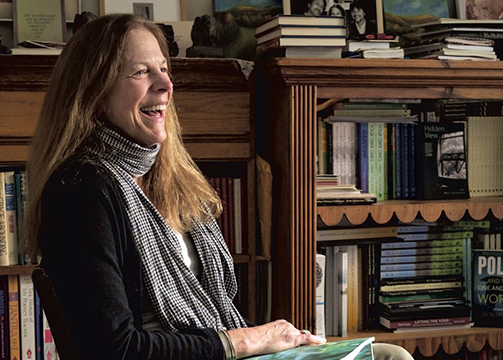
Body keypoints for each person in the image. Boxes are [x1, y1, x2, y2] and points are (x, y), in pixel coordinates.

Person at [24, 13, 414, 360]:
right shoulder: (80, 190)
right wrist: (244, 341)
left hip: (223, 350)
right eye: (140, 72)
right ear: (93, 93)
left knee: (386, 354)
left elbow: (216, 307)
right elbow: (114, 348)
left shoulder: (170, 177)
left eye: (163, 68)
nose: (166, 84)